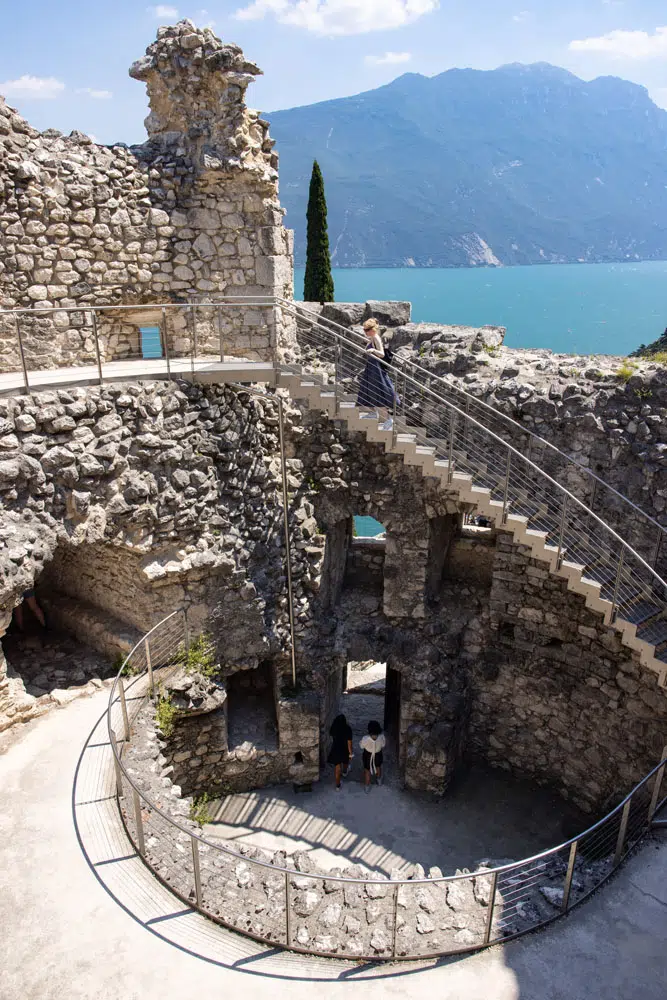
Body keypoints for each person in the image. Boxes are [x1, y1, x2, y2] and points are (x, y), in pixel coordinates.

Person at [357, 318, 398, 432]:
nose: (365, 332)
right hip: (371, 368)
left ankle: (388, 419)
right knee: (368, 389)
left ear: (373, 329)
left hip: (375, 369)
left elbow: (381, 353)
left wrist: (372, 351)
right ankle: (373, 413)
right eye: (364, 330)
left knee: (377, 392)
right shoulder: (372, 338)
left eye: (367, 329)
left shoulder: (376, 338)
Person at [327, 713, 353, 790]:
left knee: (337, 768)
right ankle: (345, 772)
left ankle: (337, 785)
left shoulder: (334, 728)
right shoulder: (348, 729)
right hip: (344, 749)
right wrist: (350, 753)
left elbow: (331, 735)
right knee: (345, 762)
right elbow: (349, 743)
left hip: (336, 749)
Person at [360, 720, 386, 793]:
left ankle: (367, 786)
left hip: (368, 756)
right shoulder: (381, 737)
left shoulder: (365, 738)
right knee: (378, 766)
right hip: (378, 754)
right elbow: (383, 745)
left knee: (367, 770)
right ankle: (379, 780)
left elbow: (361, 746)